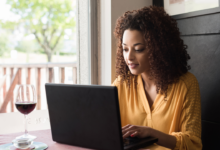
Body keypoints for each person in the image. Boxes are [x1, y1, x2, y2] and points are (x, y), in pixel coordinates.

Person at [112, 6, 202, 150]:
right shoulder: (122, 84)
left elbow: (193, 144)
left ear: (158, 48)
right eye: (125, 49)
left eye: (138, 49)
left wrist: (152, 134)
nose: (129, 57)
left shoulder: (186, 84)